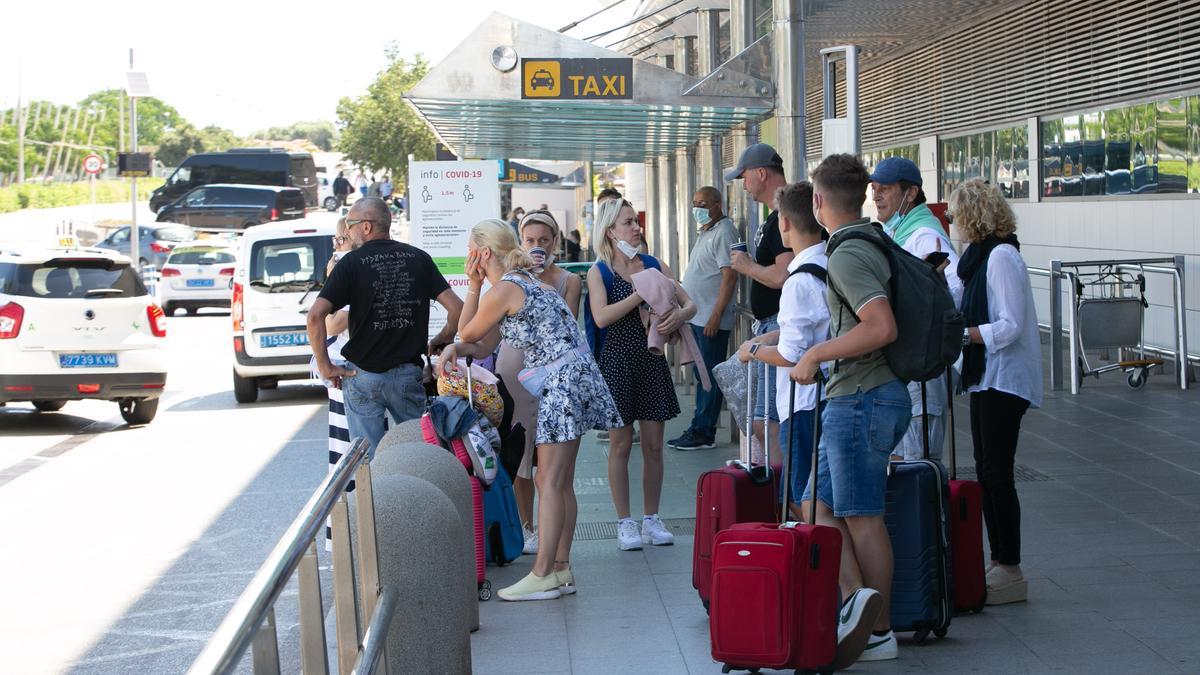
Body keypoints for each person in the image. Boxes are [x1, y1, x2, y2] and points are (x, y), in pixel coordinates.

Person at [441, 219, 621, 601]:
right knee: (559, 480)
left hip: (561, 383)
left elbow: (469, 332)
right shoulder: (524, 282)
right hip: (575, 376)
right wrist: (456, 350)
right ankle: (560, 569)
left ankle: (542, 574)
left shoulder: (503, 288)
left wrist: (471, 287)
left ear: (482, 253)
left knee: (549, 481)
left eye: (470, 251)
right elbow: (484, 344)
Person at [790, 154, 912, 666]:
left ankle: (879, 630)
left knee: (862, 516)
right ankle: (858, 607)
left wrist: (815, 353)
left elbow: (880, 326)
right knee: (813, 504)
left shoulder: (847, 254)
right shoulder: (866, 242)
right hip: (853, 397)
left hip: (864, 396)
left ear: (818, 201)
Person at [306, 197, 463, 453]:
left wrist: (324, 366)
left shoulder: (350, 264)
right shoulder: (419, 258)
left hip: (362, 376)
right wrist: (442, 339)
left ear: (366, 227)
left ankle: (375, 493)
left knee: (368, 460)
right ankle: (414, 492)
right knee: (418, 456)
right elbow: (457, 308)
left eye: (350, 224)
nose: (347, 231)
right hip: (407, 376)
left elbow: (314, 317)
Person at [951, 178, 1042, 605]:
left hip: (1005, 377)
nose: (951, 223)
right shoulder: (978, 259)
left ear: (972, 216)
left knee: (997, 473)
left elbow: (1011, 325)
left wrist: (966, 336)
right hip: (988, 375)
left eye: (954, 214)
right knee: (987, 470)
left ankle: (1010, 565)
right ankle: (1000, 562)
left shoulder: (1002, 256)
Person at [587, 198, 697, 551]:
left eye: (636, 221)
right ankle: (625, 522)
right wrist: (640, 292)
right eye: (628, 222)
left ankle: (651, 517)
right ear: (610, 230)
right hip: (617, 362)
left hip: (651, 361)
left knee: (653, 446)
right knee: (620, 446)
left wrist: (680, 316)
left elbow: (689, 302)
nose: (636, 227)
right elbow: (601, 317)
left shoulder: (652, 264)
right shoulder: (599, 270)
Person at [737, 182, 829, 520]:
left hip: (802, 403)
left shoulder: (798, 282)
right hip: (828, 396)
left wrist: (754, 351)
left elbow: (791, 353)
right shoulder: (831, 263)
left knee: (805, 498)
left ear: (785, 222)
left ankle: (833, 570)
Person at [495, 210, 582, 556]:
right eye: (530, 240)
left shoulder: (566, 282)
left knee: (552, 472)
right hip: (518, 383)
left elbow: (566, 329)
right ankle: (526, 527)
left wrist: (537, 284)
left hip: (551, 385)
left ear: (555, 243)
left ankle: (557, 550)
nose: (536, 247)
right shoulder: (511, 280)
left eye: (543, 241)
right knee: (520, 459)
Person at [870, 157, 964, 460]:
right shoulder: (901, 233)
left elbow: (954, 288)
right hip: (910, 368)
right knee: (908, 462)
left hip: (922, 371)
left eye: (885, 189)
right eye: (874, 188)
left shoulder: (924, 235)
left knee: (917, 463)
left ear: (910, 193)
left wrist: (915, 326)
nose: (876, 196)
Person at [726, 143, 795, 460]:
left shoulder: (785, 217)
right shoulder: (776, 218)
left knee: (767, 422)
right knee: (763, 421)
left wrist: (747, 267)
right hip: (772, 325)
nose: (743, 185)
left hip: (778, 327)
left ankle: (786, 499)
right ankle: (784, 497)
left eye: (744, 177)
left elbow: (784, 274)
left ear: (761, 173)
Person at [669, 186, 738, 450]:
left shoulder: (724, 232)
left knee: (709, 374)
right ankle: (699, 425)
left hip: (711, 320)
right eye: (694, 202)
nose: (697, 208)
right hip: (698, 318)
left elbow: (730, 276)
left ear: (718, 204)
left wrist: (715, 316)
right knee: (701, 373)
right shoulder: (707, 232)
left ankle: (703, 431)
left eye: (704, 203)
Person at [316, 218, 355, 550]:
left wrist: (334, 279)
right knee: (344, 458)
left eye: (341, 239)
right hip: (342, 378)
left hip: (352, 378)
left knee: (350, 459)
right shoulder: (344, 269)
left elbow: (330, 323)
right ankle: (344, 539)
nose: (336, 248)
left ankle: (349, 540)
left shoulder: (349, 270)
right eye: (335, 240)